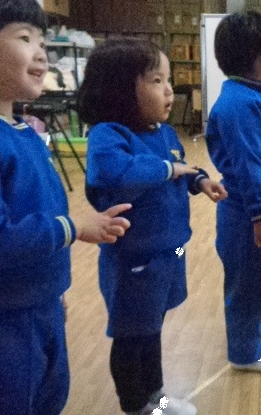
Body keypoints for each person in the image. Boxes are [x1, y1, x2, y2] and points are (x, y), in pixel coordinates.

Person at [0, 0, 131, 415]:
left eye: (41, 40)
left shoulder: (23, 131)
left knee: (49, 397)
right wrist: (73, 227)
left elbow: (34, 211)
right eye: (24, 37)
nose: (41, 52)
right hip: (5, 322)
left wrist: (51, 292)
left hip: (38, 304)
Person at [79, 37, 227, 415]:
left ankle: (155, 395)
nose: (169, 90)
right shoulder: (108, 134)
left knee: (152, 327)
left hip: (170, 250)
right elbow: (115, 173)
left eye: (168, 80)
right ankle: (135, 405)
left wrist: (199, 180)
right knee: (132, 335)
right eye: (157, 80)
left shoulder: (163, 132)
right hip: (134, 259)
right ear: (120, 90)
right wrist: (168, 169)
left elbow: (181, 165)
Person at [205, 10, 261, 372]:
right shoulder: (241, 103)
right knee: (248, 284)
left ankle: (253, 329)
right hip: (251, 213)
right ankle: (244, 352)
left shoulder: (260, 97)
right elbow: (248, 164)